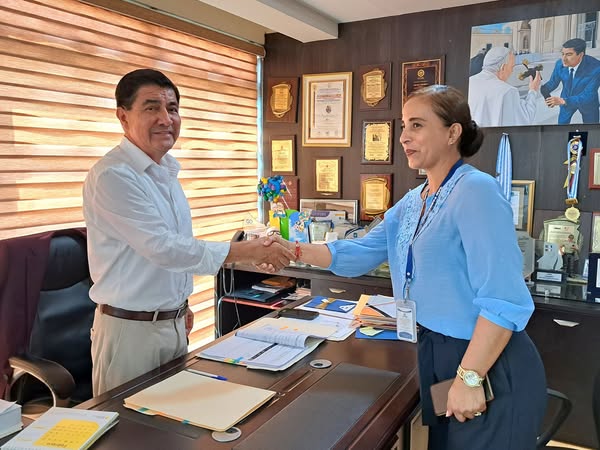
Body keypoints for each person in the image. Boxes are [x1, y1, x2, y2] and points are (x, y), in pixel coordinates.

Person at [268, 85, 547, 449]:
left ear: (452, 132)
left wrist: (470, 377)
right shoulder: (415, 199)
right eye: (403, 126)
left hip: (485, 361)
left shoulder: (476, 191)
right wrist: (293, 249)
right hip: (437, 351)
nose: (403, 137)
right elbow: (361, 251)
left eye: (417, 125)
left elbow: (503, 298)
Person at [83, 68, 295, 396]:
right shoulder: (113, 176)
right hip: (130, 333)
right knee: (129, 423)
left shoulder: (165, 173)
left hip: (172, 323)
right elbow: (163, 248)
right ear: (123, 117)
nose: (166, 119)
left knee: (172, 417)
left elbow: (178, 248)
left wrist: (179, 305)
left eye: (172, 108)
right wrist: (248, 251)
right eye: (152, 108)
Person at [468, 46, 542, 127]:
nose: (512, 71)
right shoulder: (507, 91)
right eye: (512, 67)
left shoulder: (469, 82)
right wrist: (533, 90)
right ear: (503, 67)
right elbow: (524, 119)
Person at [541, 38, 600, 124]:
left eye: (569, 54)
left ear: (581, 55)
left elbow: (587, 96)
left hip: (587, 104)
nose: (564, 59)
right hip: (566, 100)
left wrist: (563, 101)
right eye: (562, 54)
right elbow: (552, 83)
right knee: (561, 129)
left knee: (591, 130)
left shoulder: (596, 68)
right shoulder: (560, 64)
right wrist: (544, 90)